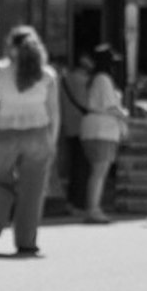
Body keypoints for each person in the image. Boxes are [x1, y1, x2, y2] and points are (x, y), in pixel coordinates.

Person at [0, 23, 58, 256]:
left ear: (11, 47)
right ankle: (26, 241)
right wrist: (52, 140)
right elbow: (54, 113)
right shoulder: (47, 75)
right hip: (38, 133)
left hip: (4, 132)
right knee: (33, 189)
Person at [78, 42, 127, 221]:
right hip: (102, 129)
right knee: (99, 172)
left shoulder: (94, 79)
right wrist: (124, 115)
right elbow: (111, 106)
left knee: (96, 171)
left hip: (94, 128)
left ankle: (92, 207)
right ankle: (93, 208)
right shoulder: (103, 79)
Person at [57, 51, 92, 210]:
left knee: (73, 165)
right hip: (83, 126)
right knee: (82, 166)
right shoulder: (84, 81)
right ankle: (79, 200)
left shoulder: (64, 79)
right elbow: (89, 104)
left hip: (68, 125)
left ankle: (72, 199)